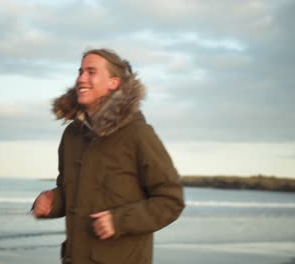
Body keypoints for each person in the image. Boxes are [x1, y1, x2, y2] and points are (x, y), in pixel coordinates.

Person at [32, 48, 185, 264]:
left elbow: (171, 200)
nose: (81, 78)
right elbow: (71, 194)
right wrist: (51, 201)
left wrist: (119, 222)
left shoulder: (137, 134)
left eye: (90, 72)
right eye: (80, 71)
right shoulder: (72, 135)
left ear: (113, 82)